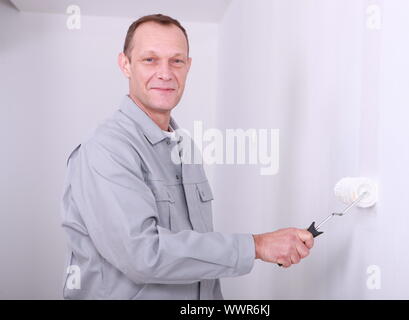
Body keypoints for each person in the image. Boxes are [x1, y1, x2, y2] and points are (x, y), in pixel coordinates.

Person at [60, 14, 314, 300]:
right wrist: (255, 246)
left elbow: (196, 260)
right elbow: (143, 255)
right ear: (125, 65)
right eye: (150, 60)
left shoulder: (185, 147)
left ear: (188, 66)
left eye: (176, 61)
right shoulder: (106, 150)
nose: (166, 73)